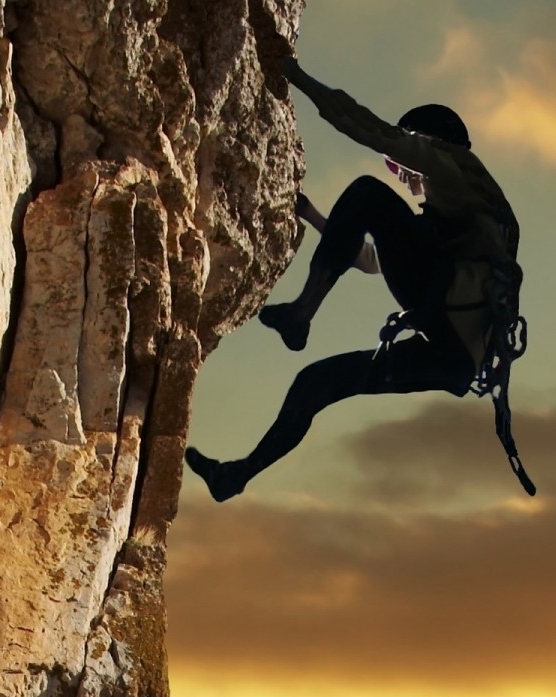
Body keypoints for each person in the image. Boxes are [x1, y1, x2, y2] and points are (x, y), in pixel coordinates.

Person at [184, 45, 532, 501]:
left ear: (425, 144)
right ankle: (237, 475)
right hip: (452, 359)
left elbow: (367, 128)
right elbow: (373, 260)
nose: (403, 176)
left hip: (443, 323)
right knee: (316, 382)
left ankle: (303, 312)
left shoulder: (450, 165)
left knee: (368, 193)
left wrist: (295, 75)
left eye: (404, 165)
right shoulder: (477, 213)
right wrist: (312, 216)